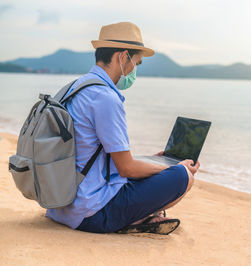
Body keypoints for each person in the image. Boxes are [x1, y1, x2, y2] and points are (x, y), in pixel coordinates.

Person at [46, 22, 200, 235]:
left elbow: (90, 153)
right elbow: (126, 168)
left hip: (60, 206)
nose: (134, 70)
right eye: (136, 62)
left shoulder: (74, 88)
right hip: (91, 214)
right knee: (183, 176)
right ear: (123, 57)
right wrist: (173, 168)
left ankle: (143, 216)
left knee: (155, 171)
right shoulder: (105, 98)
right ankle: (138, 218)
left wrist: (150, 162)